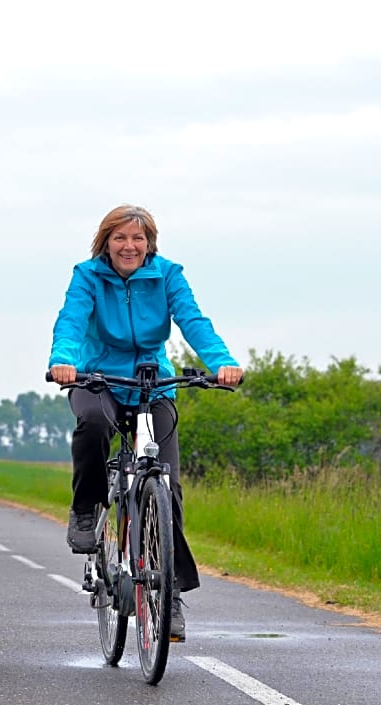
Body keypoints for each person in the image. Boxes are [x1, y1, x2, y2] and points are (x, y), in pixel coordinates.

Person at [48, 204, 242, 642]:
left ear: (149, 243)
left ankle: (169, 596)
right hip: (97, 377)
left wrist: (221, 361)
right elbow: (71, 323)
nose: (129, 246)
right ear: (106, 242)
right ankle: (86, 510)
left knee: (165, 485)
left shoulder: (168, 275)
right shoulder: (87, 276)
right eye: (120, 238)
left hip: (152, 385)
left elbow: (194, 321)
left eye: (138, 239)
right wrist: (63, 359)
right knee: (94, 424)